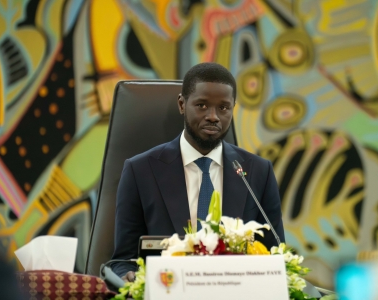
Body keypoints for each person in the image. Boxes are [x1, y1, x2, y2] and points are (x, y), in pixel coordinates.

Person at [112, 62, 285, 281]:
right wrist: (131, 278)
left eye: (223, 108)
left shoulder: (257, 172)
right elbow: (122, 261)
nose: (213, 116)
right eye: (202, 105)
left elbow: (275, 256)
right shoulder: (140, 171)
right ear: (182, 104)